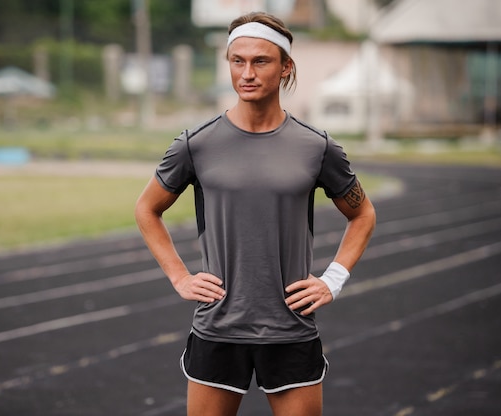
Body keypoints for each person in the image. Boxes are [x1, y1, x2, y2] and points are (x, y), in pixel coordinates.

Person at [134, 11, 376, 416]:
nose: (247, 72)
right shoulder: (196, 143)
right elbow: (147, 209)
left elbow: (363, 214)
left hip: (290, 328)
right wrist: (179, 276)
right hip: (218, 327)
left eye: (260, 61)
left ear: (285, 68)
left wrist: (333, 281)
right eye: (237, 61)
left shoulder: (317, 147)